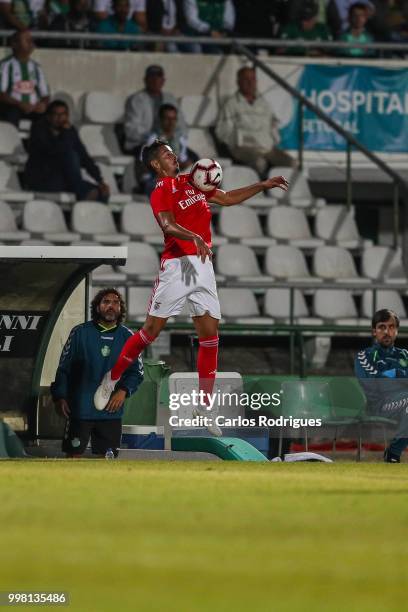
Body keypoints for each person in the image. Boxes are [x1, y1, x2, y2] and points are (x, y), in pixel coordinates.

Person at [94, 139, 289, 436]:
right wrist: (195, 237)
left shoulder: (193, 180)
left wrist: (262, 185)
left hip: (203, 267)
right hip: (177, 266)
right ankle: (112, 377)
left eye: (174, 154)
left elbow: (226, 198)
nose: (175, 158)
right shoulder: (160, 190)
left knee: (210, 336)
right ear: (156, 165)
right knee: (150, 332)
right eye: (168, 156)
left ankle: (204, 405)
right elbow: (168, 225)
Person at [51, 288, 144, 458]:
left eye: (115, 302)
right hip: (80, 409)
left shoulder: (128, 337)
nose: (111, 306)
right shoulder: (80, 333)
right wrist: (60, 395)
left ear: (121, 308)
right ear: (97, 307)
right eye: (106, 302)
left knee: (107, 459)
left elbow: (136, 372)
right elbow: (64, 368)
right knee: (73, 455)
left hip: (111, 410)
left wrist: (123, 391)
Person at [24, 99, 110, 202]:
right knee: (70, 155)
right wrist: (65, 133)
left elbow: (84, 157)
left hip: (64, 180)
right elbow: (55, 152)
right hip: (42, 180)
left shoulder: (70, 131)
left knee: (101, 191)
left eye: (63, 114)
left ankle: (87, 215)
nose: (60, 118)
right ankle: (81, 194)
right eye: (56, 115)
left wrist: (100, 181)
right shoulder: (39, 129)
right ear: (48, 116)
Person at [215, 66, 295, 177]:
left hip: (267, 149)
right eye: (246, 79)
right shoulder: (231, 104)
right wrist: (237, 142)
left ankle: (282, 192)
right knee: (260, 163)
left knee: (292, 163)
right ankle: (261, 192)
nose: (250, 83)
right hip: (244, 148)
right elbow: (222, 131)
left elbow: (273, 125)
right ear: (238, 82)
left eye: (253, 79)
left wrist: (274, 141)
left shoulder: (264, 103)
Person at [355, 308, 408, 463]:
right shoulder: (364, 356)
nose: (387, 331)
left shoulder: (404, 355)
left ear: (397, 331)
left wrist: (394, 374)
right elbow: (376, 385)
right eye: (382, 327)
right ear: (374, 331)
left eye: (391, 327)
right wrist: (401, 376)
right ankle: (394, 452)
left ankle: (392, 454)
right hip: (379, 406)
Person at [123, 64, 187, 155]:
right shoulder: (135, 100)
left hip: (170, 142)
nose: (155, 81)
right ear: (145, 80)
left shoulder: (170, 98)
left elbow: (182, 125)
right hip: (142, 144)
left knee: (193, 158)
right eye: (152, 78)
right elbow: (131, 130)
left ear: (163, 81)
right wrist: (154, 137)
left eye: (158, 78)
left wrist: (174, 137)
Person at [142, 103, 197, 192]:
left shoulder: (180, 138)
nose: (171, 122)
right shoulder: (153, 138)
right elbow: (145, 165)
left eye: (173, 119)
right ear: (160, 120)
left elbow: (183, 160)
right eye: (167, 119)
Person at [0, 30, 50, 127]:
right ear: (15, 44)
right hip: (13, 107)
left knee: (50, 115)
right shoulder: (5, 65)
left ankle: (39, 142)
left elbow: (45, 94)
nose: (31, 43)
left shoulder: (36, 67)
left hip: (33, 108)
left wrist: (43, 104)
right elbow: (1, 94)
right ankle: (11, 141)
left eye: (32, 40)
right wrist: (20, 104)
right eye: (27, 40)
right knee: (11, 113)